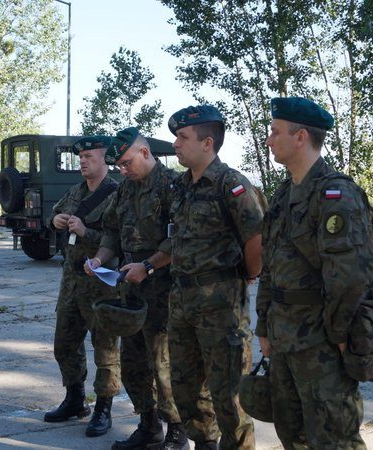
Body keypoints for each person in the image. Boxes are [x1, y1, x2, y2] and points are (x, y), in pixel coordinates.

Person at [257, 97, 373, 449]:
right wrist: (264, 326)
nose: (269, 139)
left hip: (321, 341)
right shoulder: (283, 194)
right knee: (291, 431)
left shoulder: (335, 194)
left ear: (301, 137)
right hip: (283, 337)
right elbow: (271, 265)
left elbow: (351, 275)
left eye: (275, 132)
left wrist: (340, 334)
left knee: (333, 436)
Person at [166, 105, 263, 450]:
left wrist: (246, 277)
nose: (175, 143)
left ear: (207, 143)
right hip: (182, 303)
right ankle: (204, 443)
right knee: (186, 386)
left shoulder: (231, 184)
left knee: (229, 393)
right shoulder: (180, 186)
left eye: (182, 137)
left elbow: (256, 239)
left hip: (221, 307)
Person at [85, 127, 188, 450]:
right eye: (119, 165)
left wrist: (149, 266)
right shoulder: (126, 190)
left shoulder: (172, 186)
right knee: (133, 361)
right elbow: (111, 230)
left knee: (163, 362)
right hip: (130, 286)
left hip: (163, 286)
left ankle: (177, 430)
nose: (123, 170)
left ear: (145, 153)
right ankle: (148, 425)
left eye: (127, 162)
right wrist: (99, 258)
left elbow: (180, 238)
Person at [43, 136, 121, 438]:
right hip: (71, 282)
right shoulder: (75, 192)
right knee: (64, 343)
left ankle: (103, 407)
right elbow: (54, 216)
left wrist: (85, 231)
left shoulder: (115, 194)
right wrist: (57, 220)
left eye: (89, 156)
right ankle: (75, 399)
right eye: (81, 157)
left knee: (105, 348)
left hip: (101, 282)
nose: (83, 161)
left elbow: (120, 239)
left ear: (104, 159)